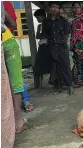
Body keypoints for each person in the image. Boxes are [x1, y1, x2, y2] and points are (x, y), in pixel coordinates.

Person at [2, 1, 27, 134]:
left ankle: (11, 122)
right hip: (7, 41)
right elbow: (12, 24)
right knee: (15, 82)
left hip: (6, 44)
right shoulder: (4, 3)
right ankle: (18, 120)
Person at [42, 2, 74, 95]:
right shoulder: (46, 22)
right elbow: (45, 34)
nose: (54, 9)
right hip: (52, 47)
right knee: (56, 66)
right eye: (53, 7)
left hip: (62, 46)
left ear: (59, 9)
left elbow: (67, 33)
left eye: (57, 7)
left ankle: (70, 85)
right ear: (50, 8)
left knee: (66, 65)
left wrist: (63, 42)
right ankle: (59, 86)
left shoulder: (63, 21)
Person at [1, 3, 15, 147]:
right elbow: (12, 23)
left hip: (6, 41)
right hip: (6, 40)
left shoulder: (4, 4)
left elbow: (12, 23)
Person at [33, 9, 52, 88]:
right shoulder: (39, 26)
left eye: (38, 18)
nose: (37, 19)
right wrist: (43, 35)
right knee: (38, 65)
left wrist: (44, 35)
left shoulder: (49, 23)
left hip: (48, 46)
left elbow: (50, 35)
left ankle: (52, 81)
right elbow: (37, 36)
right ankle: (39, 84)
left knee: (50, 64)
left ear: (43, 16)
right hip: (41, 47)